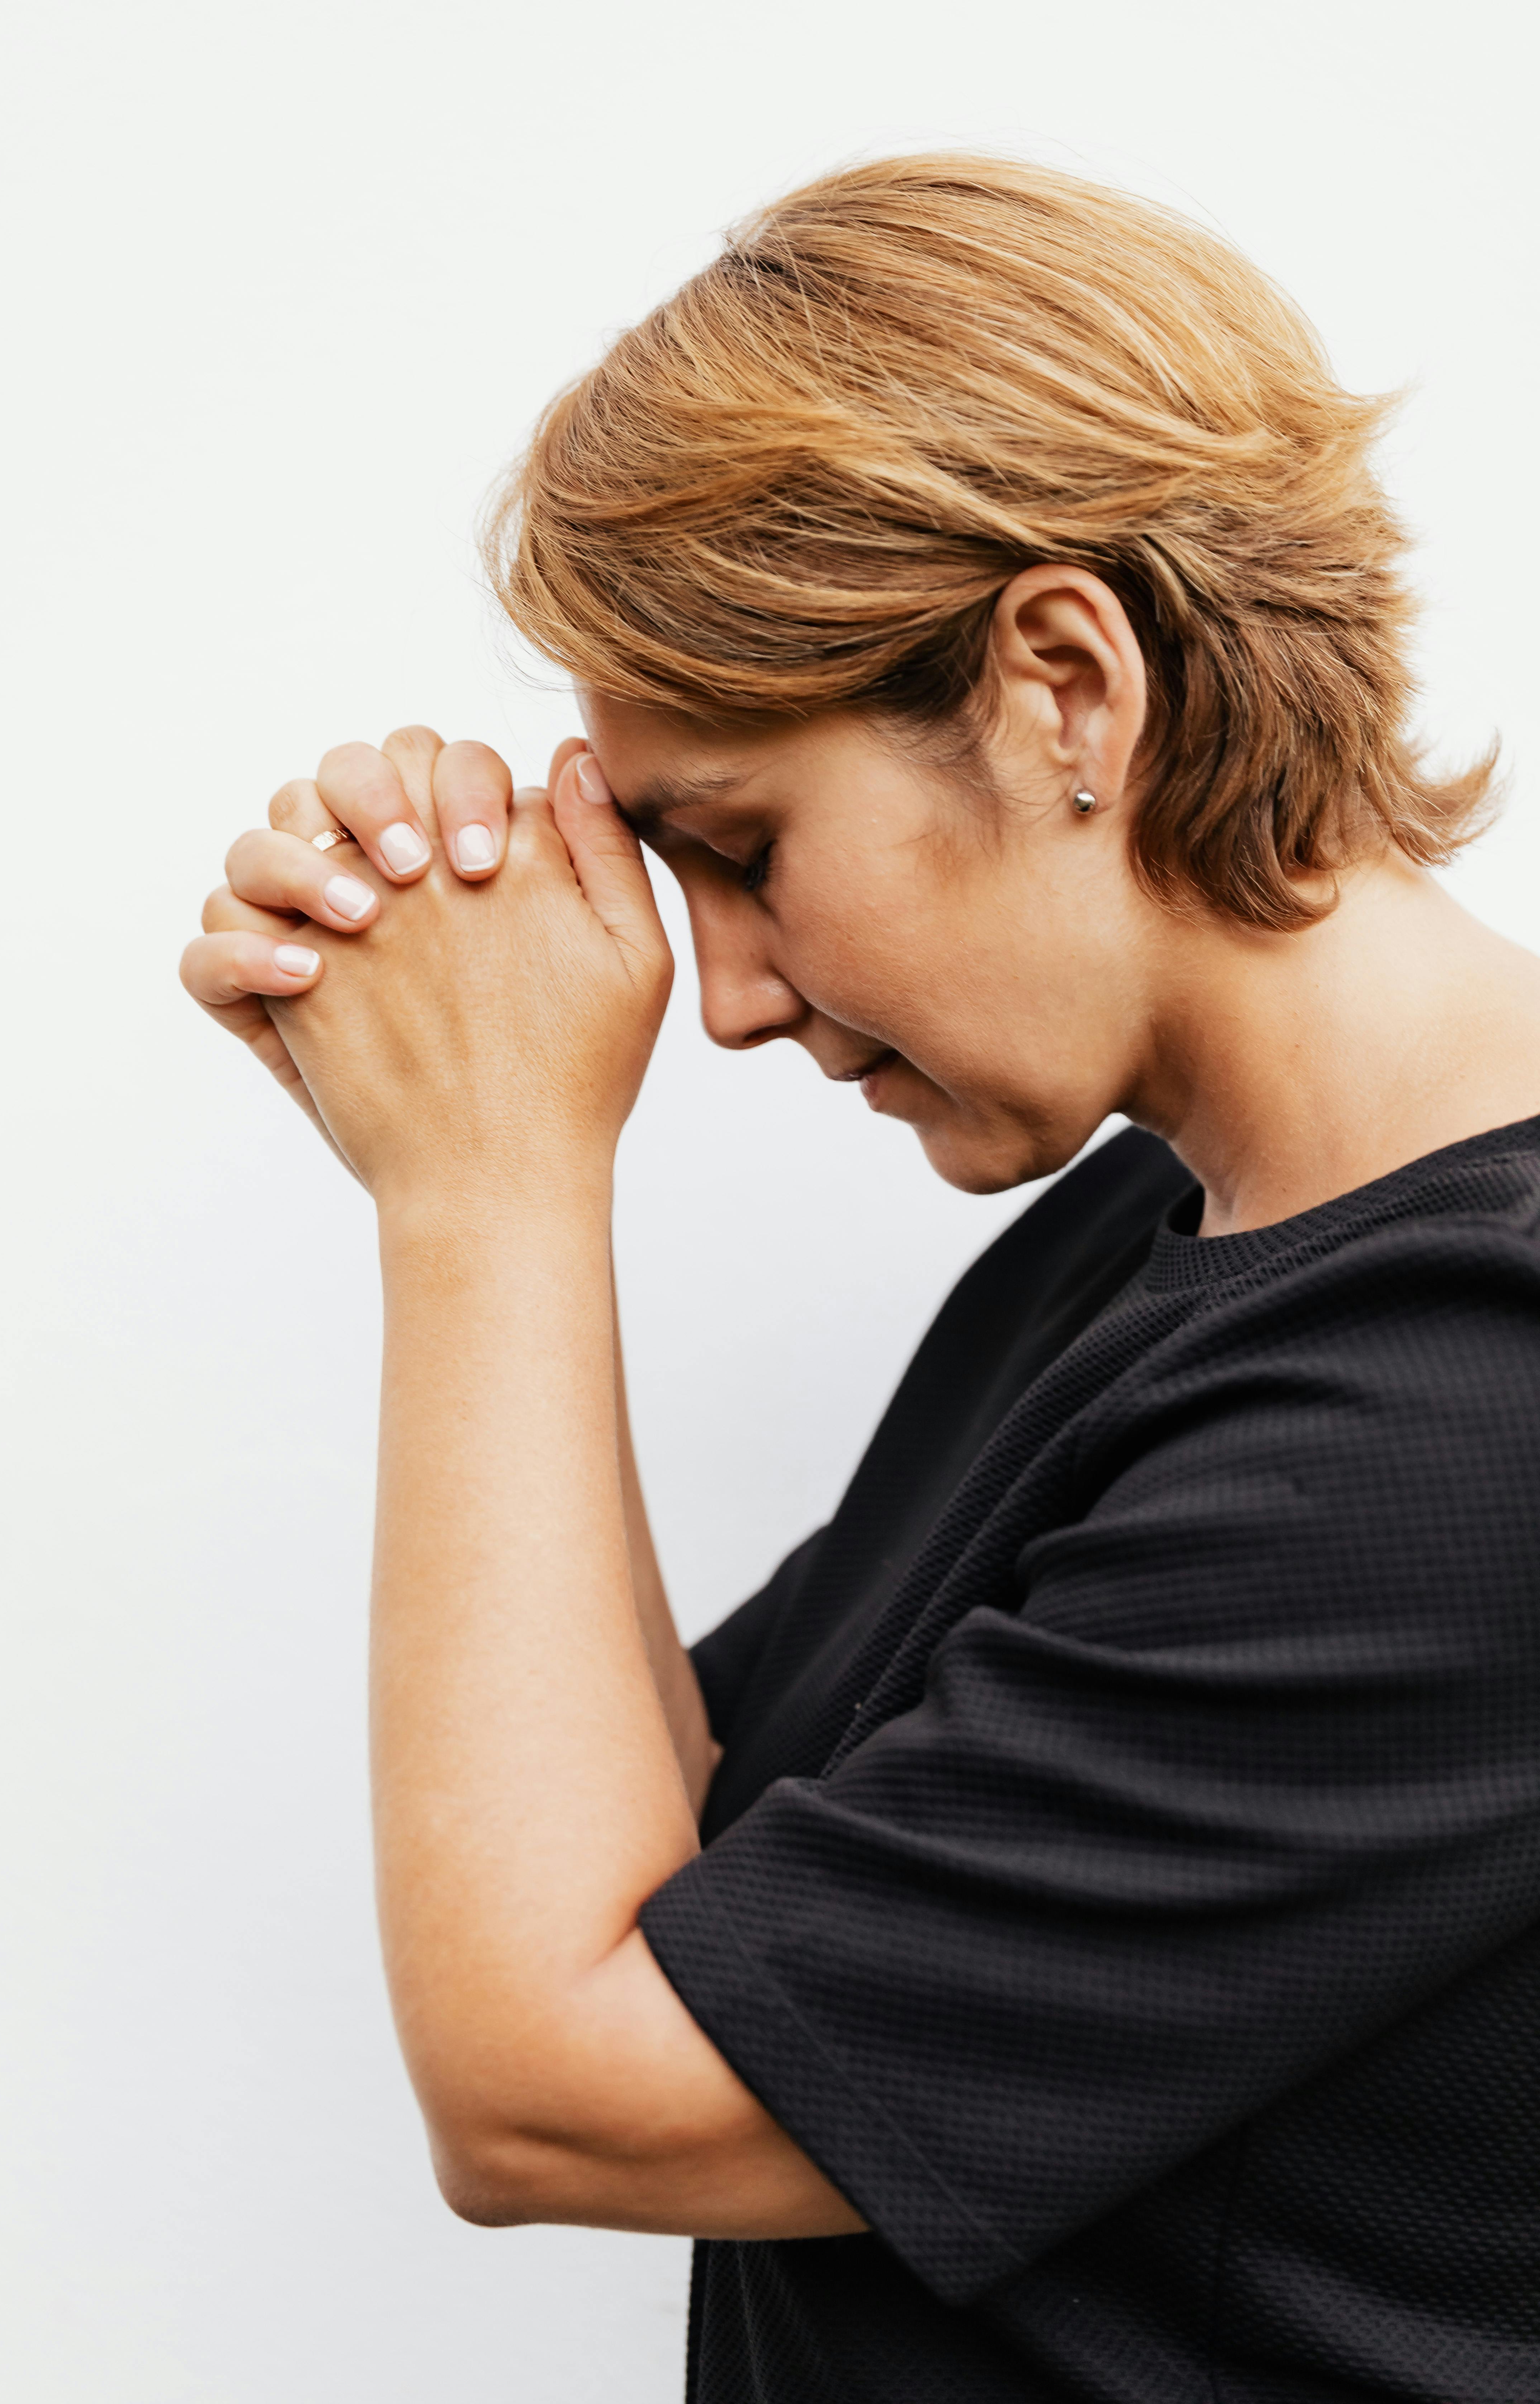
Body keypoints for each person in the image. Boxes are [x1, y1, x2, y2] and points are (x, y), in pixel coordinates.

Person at [179, 156, 1540, 2402]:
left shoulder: (1457, 1406)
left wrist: (490, 1194)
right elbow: (681, 1837)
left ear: (1064, 689)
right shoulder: (1159, 1234)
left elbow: (565, 2082)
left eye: (739, 844)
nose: (717, 997)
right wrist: (492, 1145)